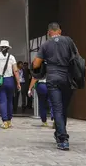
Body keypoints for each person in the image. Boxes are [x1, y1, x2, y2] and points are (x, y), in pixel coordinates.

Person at [31, 23, 78, 151]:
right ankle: (59, 133)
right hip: (67, 78)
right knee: (63, 108)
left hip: (52, 78)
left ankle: (62, 139)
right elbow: (76, 57)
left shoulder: (46, 44)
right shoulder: (68, 41)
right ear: (60, 31)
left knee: (57, 108)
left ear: (49, 32)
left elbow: (36, 64)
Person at [0, 39, 19, 129]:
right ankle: (9, 120)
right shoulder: (12, 57)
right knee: (9, 101)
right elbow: (16, 71)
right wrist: (18, 82)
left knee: (2, 101)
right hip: (10, 80)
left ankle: (5, 121)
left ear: (0, 47)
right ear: (8, 48)